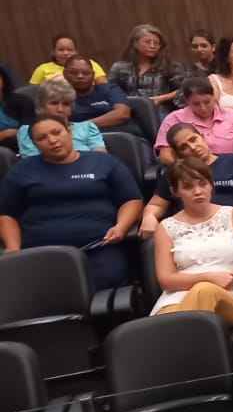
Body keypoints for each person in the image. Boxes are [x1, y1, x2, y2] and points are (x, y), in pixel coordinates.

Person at [0, 117, 142, 290]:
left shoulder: (104, 162)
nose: (52, 141)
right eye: (42, 138)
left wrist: (121, 226)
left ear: (70, 131)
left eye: (56, 132)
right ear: (35, 144)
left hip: (99, 247)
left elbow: (131, 199)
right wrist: (13, 248)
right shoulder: (22, 170)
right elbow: (6, 213)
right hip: (40, 253)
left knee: (101, 292)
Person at [148, 158, 233, 323]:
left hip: (228, 295)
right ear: (175, 191)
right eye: (188, 187)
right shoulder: (165, 227)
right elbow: (166, 280)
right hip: (176, 297)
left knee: (204, 291)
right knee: (168, 318)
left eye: (203, 184)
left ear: (211, 186)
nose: (198, 191)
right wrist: (207, 277)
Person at [141, 123, 233, 235]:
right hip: (195, 233)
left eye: (193, 139)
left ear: (202, 137)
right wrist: (149, 217)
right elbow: (155, 205)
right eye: (184, 147)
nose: (192, 147)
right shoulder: (176, 172)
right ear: (178, 154)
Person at [155, 78, 233, 174]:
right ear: (187, 102)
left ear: (214, 97)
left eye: (207, 102)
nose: (203, 108)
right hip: (194, 171)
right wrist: (190, 167)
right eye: (196, 104)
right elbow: (165, 156)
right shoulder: (174, 119)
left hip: (230, 167)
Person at [18, 79, 106, 156]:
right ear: (41, 106)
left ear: (71, 109)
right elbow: (33, 164)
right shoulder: (27, 131)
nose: (60, 109)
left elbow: (100, 159)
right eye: (54, 103)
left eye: (66, 104)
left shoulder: (88, 128)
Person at [108, 24, 183, 108]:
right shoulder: (119, 67)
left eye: (156, 43)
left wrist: (161, 98)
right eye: (147, 42)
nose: (152, 46)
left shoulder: (169, 66)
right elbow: (111, 91)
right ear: (135, 43)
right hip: (129, 110)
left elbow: (184, 89)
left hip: (159, 110)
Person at [61, 57, 134, 138]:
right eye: (74, 73)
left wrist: (82, 126)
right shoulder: (60, 99)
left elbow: (123, 114)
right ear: (65, 74)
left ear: (93, 75)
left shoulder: (109, 89)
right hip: (84, 141)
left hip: (125, 137)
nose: (80, 76)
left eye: (85, 73)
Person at [29, 35, 106, 86]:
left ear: (76, 52)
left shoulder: (90, 63)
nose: (66, 53)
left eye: (70, 50)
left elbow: (104, 87)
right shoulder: (42, 69)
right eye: (61, 50)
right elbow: (32, 93)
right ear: (53, 52)